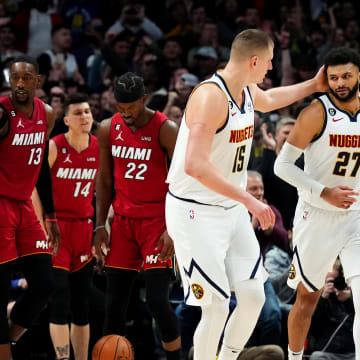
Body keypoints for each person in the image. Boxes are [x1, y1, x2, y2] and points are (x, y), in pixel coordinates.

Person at [165, 28, 327, 360]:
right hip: (196, 211)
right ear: (253, 61)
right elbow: (195, 165)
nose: (269, 69)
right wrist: (250, 199)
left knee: (253, 297)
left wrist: (313, 85)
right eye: (267, 62)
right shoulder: (210, 97)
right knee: (217, 306)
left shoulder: (246, 88)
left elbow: (268, 99)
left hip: (231, 207)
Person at [274, 46, 360, 360]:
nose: (340, 82)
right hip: (317, 215)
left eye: (346, 75)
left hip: (355, 216)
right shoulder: (316, 112)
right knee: (307, 299)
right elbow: (281, 166)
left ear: (358, 76)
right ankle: (295, 358)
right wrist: (324, 192)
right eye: (334, 77)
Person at [94, 72, 182, 359]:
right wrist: (99, 225)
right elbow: (105, 181)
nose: (126, 113)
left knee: (158, 301)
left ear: (143, 99)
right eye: (120, 107)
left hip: (158, 223)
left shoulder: (166, 129)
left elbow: (184, 181)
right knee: (114, 303)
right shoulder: (108, 128)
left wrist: (174, 228)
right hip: (122, 223)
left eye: (131, 107)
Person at [0, 55, 61, 360]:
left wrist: (50, 215)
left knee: (45, 285)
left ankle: (7, 342)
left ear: (38, 81)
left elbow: (40, 167)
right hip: (0, 205)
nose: (20, 84)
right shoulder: (1, 112)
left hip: (25, 206)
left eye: (26, 79)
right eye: (15, 79)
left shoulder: (46, 114)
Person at [48, 93, 99, 360]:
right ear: (66, 120)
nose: (85, 117)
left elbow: (106, 191)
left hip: (84, 228)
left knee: (82, 302)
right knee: (59, 297)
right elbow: (36, 187)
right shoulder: (54, 147)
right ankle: (62, 357)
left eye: (88, 111)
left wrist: (102, 229)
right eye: (78, 113)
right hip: (56, 228)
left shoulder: (99, 148)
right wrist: (45, 222)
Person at [308, 264, 355, 360]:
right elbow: (312, 327)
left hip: (352, 352)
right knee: (316, 357)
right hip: (327, 352)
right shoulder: (316, 299)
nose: (333, 285)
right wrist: (323, 298)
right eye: (329, 281)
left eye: (336, 280)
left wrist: (350, 300)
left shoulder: (352, 298)